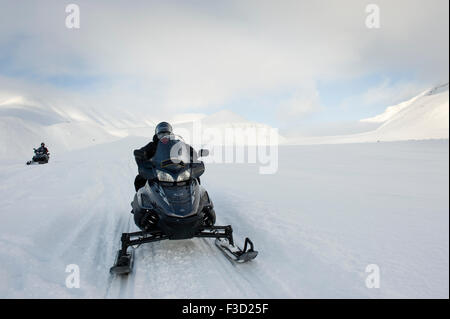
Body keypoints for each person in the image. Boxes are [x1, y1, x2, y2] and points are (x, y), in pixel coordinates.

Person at [133, 122, 198, 191]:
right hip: (160, 170)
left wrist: (191, 154)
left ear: (170, 134)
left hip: (178, 168)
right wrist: (141, 154)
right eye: (161, 134)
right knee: (140, 179)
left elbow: (188, 149)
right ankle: (142, 198)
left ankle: (197, 194)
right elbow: (142, 152)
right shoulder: (152, 145)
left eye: (166, 134)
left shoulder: (177, 143)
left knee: (194, 177)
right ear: (157, 135)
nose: (164, 136)